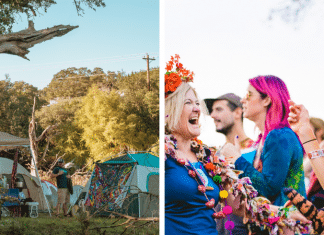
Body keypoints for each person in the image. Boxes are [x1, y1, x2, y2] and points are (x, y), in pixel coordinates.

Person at [221, 75, 306, 208]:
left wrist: (236, 159)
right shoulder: (263, 140)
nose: (243, 100)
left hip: (289, 224)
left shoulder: (279, 136)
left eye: (248, 95)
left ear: (266, 99)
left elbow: (268, 189)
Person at [204, 93, 254, 235]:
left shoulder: (255, 151)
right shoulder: (214, 156)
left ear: (238, 112)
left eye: (219, 109)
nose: (212, 115)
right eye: (212, 111)